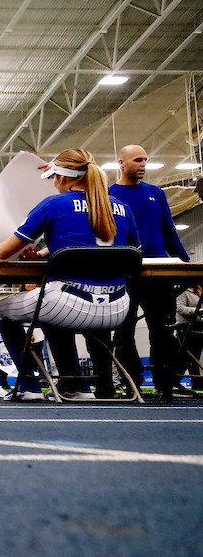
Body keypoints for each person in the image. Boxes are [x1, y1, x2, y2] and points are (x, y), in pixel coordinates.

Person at [0, 149, 140, 401]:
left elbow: (3, 253)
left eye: (53, 177)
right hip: (117, 308)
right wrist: (49, 252)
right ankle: (75, 385)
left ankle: (28, 385)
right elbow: (124, 250)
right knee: (48, 305)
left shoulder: (53, 205)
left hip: (68, 302)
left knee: (5, 310)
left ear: (61, 177)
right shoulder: (121, 208)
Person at [107, 144, 192, 399]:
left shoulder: (156, 193)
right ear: (121, 163)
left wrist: (185, 263)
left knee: (161, 330)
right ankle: (131, 381)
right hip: (125, 273)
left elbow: (169, 231)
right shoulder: (108, 194)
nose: (143, 164)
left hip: (158, 272)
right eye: (137, 160)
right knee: (123, 331)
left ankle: (163, 383)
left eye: (145, 160)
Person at [176, 285, 203, 393]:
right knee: (186, 357)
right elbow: (180, 308)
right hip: (186, 328)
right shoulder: (183, 292)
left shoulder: (199, 291)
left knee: (195, 357)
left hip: (199, 328)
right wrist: (197, 310)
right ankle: (176, 380)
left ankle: (197, 383)